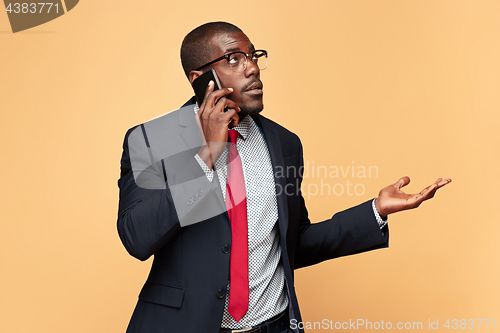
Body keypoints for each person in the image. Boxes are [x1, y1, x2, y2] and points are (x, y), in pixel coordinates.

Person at [117, 22, 451, 333]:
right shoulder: (152, 140)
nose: (252, 68)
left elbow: (293, 242)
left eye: (253, 56)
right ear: (201, 79)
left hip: (273, 325)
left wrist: (375, 212)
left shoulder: (284, 143)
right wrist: (205, 158)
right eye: (234, 59)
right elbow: (137, 238)